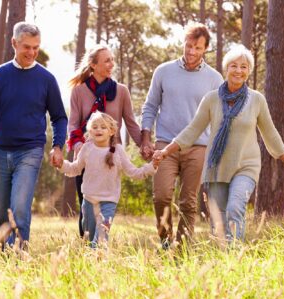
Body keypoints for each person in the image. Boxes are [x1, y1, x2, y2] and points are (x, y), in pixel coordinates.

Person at [153, 44, 284, 242]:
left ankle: (234, 256)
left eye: (244, 66)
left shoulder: (257, 100)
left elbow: (270, 133)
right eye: (234, 66)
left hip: (246, 166)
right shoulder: (211, 99)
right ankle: (224, 259)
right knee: (219, 221)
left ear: (249, 71)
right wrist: (166, 151)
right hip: (217, 167)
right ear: (226, 69)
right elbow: (193, 130)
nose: (239, 70)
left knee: (235, 207)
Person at [141, 22, 223, 249]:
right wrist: (146, 138)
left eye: (197, 47)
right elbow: (150, 106)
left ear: (205, 49)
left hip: (198, 147)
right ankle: (166, 241)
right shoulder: (163, 71)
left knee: (188, 202)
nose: (191, 52)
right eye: (188, 45)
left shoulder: (214, 79)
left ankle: (182, 248)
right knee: (161, 196)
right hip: (165, 144)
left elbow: (218, 117)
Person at [0, 22, 67, 248]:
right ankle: (4, 259)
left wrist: (58, 146)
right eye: (26, 47)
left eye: (36, 48)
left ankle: (20, 257)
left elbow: (59, 116)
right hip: (0, 151)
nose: (32, 53)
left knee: (20, 208)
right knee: (2, 215)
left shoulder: (46, 79)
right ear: (14, 43)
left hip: (30, 151)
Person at [67, 44, 142, 237]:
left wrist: (144, 145)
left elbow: (131, 123)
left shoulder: (121, 91)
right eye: (107, 60)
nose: (111, 64)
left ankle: (99, 246)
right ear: (93, 64)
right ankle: (86, 248)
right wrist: (79, 148)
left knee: (106, 206)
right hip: (87, 156)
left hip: (111, 156)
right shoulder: (78, 91)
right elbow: (73, 124)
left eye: (112, 59)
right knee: (86, 207)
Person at [58, 112, 156, 247]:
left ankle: (98, 257)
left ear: (111, 131)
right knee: (89, 237)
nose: (99, 130)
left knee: (101, 237)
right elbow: (75, 168)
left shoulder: (118, 151)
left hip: (108, 202)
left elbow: (134, 172)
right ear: (90, 131)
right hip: (89, 201)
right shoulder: (87, 148)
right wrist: (61, 164)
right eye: (95, 127)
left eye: (103, 127)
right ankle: (92, 263)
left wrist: (152, 166)